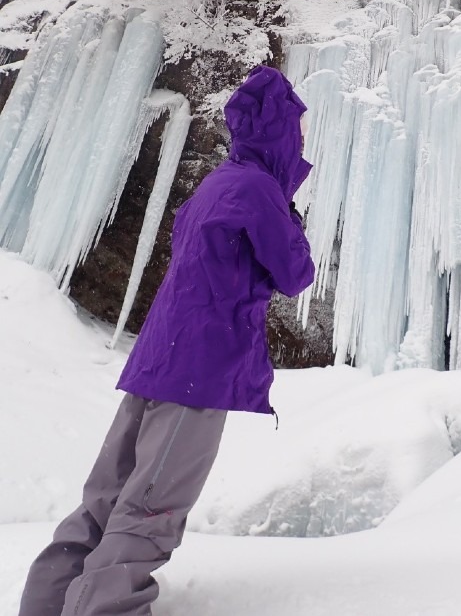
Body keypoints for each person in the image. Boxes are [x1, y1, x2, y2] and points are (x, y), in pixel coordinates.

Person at [18, 65, 315, 616]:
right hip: (199, 371)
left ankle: (47, 603)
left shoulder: (217, 183)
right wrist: (290, 212)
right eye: (296, 133)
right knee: (153, 507)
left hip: (158, 361)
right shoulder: (258, 190)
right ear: (281, 134)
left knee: (106, 498)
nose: (299, 144)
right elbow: (295, 272)